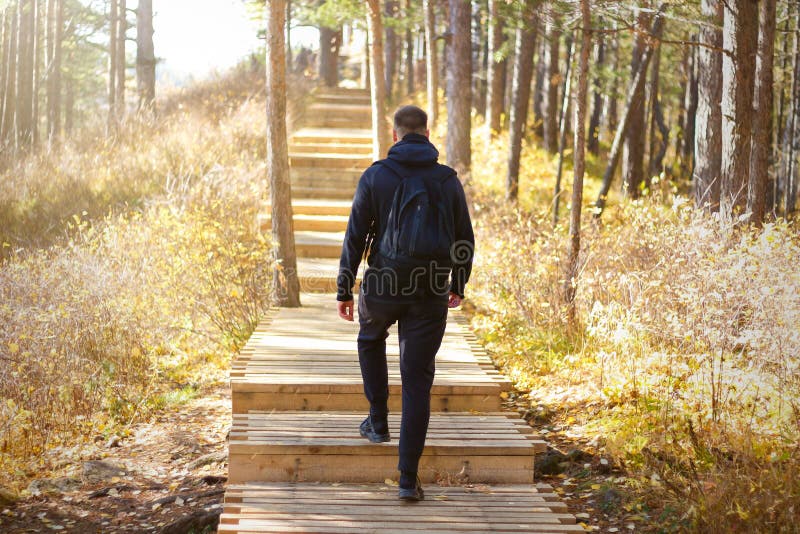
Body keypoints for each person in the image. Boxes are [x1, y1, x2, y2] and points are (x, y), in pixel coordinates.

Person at [336, 105, 474, 501]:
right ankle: (407, 479)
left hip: (382, 282)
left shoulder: (376, 175)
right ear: (427, 134)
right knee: (417, 379)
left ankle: (377, 420)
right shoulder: (447, 180)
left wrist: (345, 289)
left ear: (395, 135)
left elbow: (355, 237)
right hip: (430, 287)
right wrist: (458, 285)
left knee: (370, 338)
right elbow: (464, 238)